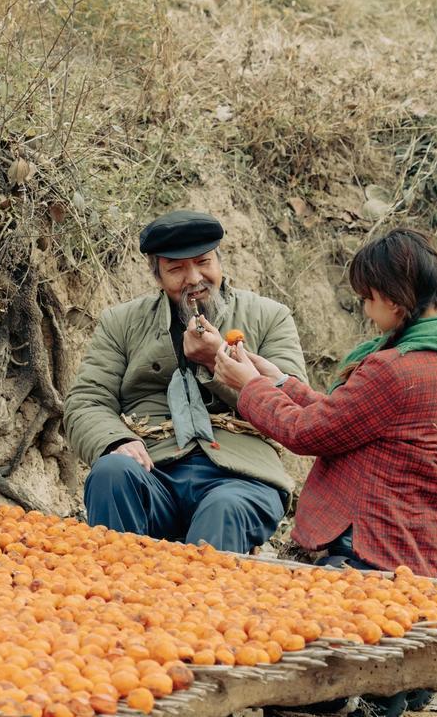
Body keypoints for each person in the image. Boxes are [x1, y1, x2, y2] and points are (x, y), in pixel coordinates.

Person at [214, 228, 437, 717]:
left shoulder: (394, 369)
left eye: (369, 298)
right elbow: (346, 417)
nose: (365, 310)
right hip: (411, 532)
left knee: (310, 676)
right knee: (374, 650)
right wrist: (278, 379)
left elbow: (310, 433)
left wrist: (248, 388)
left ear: (396, 299)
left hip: (367, 536)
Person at [64, 210, 308, 554]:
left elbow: (294, 408)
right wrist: (114, 442)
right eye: (176, 269)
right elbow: (86, 400)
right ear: (158, 276)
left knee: (225, 507)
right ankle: (116, 597)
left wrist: (214, 360)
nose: (194, 278)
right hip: (153, 470)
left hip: (240, 476)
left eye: (203, 262)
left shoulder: (269, 316)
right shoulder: (120, 323)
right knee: (111, 472)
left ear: (220, 260)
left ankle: (194, 606)